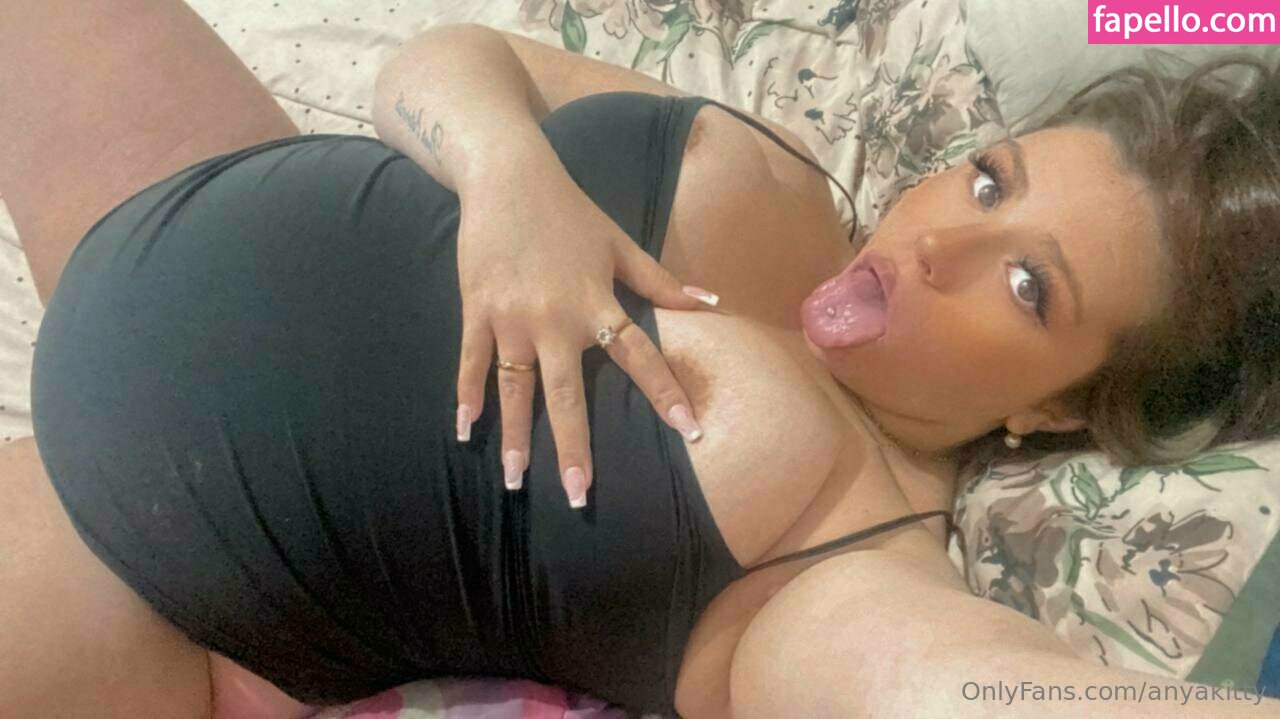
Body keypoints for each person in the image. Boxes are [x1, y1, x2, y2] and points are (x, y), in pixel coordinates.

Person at [0, 3, 1277, 717]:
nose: (938, 238)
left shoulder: (844, 556)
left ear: (1056, 409)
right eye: (987, 179)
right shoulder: (784, 179)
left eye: (1026, 284)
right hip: (185, 185)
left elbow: (975, 693)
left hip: (131, 563)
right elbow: (446, 61)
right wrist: (506, 173)